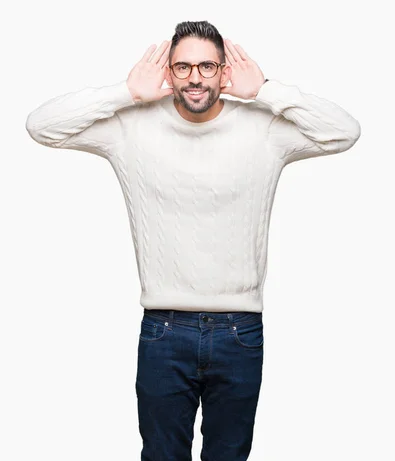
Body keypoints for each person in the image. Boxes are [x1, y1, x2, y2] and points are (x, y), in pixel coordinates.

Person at [26, 19, 360, 461]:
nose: (196, 78)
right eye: (182, 67)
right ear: (168, 71)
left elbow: (344, 132)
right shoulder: (131, 127)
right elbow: (42, 126)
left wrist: (267, 90)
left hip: (239, 331)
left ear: (224, 72)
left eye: (207, 66)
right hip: (165, 330)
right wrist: (124, 93)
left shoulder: (263, 128)